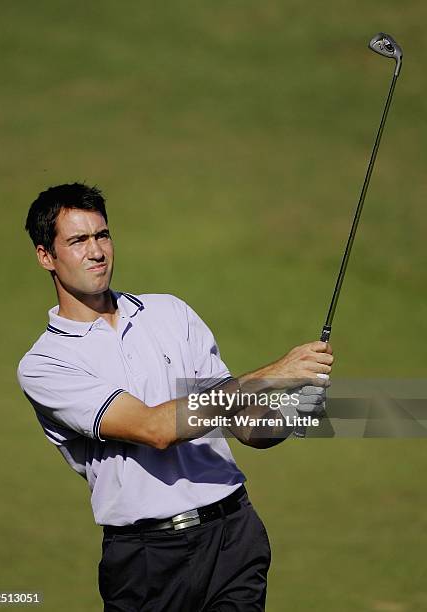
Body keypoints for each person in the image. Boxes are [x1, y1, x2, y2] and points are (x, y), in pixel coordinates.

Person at [18, 182, 333, 611]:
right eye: (77, 241)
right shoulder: (46, 364)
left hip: (232, 536)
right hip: (148, 560)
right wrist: (274, 373)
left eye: (102, 235)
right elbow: (155, 429)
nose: (97, 251)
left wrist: (296, 410)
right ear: (45, 256)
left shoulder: (170, 312)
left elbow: (243, 425)